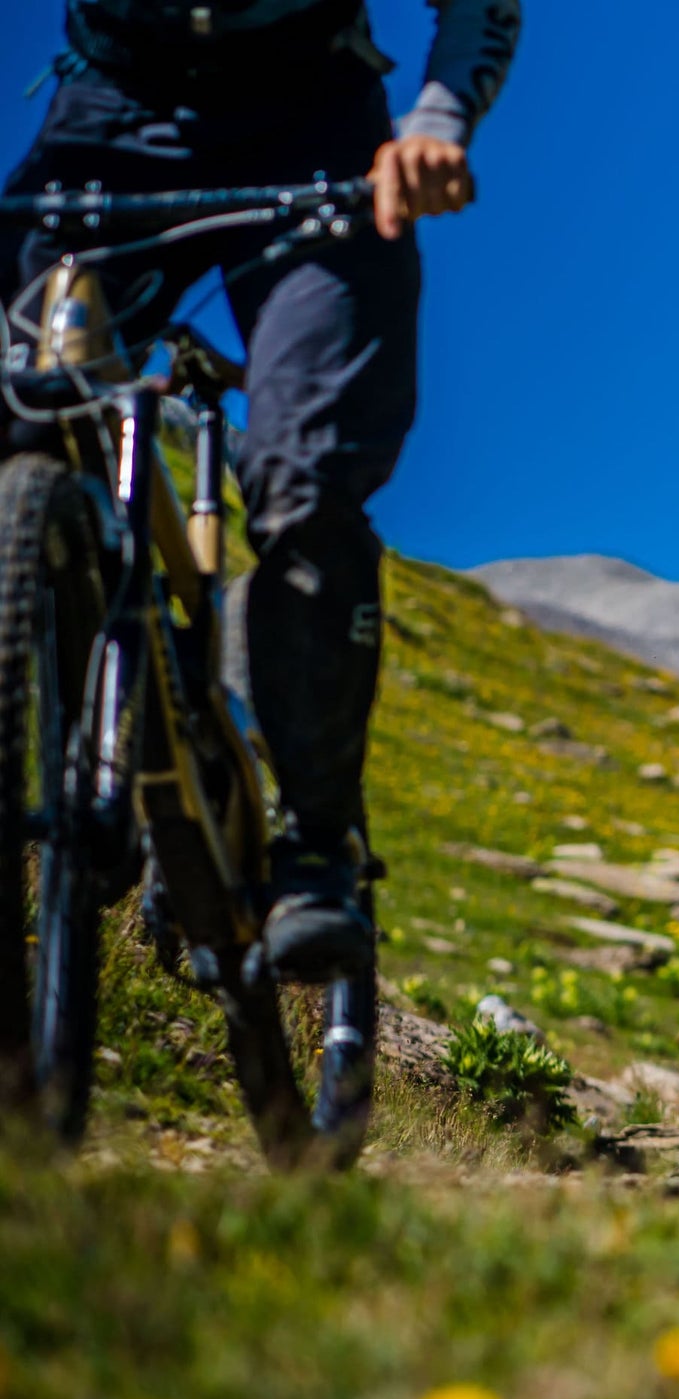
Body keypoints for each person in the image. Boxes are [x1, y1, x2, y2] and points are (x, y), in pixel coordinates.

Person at [0, 1, 520, 979]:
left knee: (304, 478)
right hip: (110, 119)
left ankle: (315, 849)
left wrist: (435, 125)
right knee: (22, 411)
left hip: (313, 127)